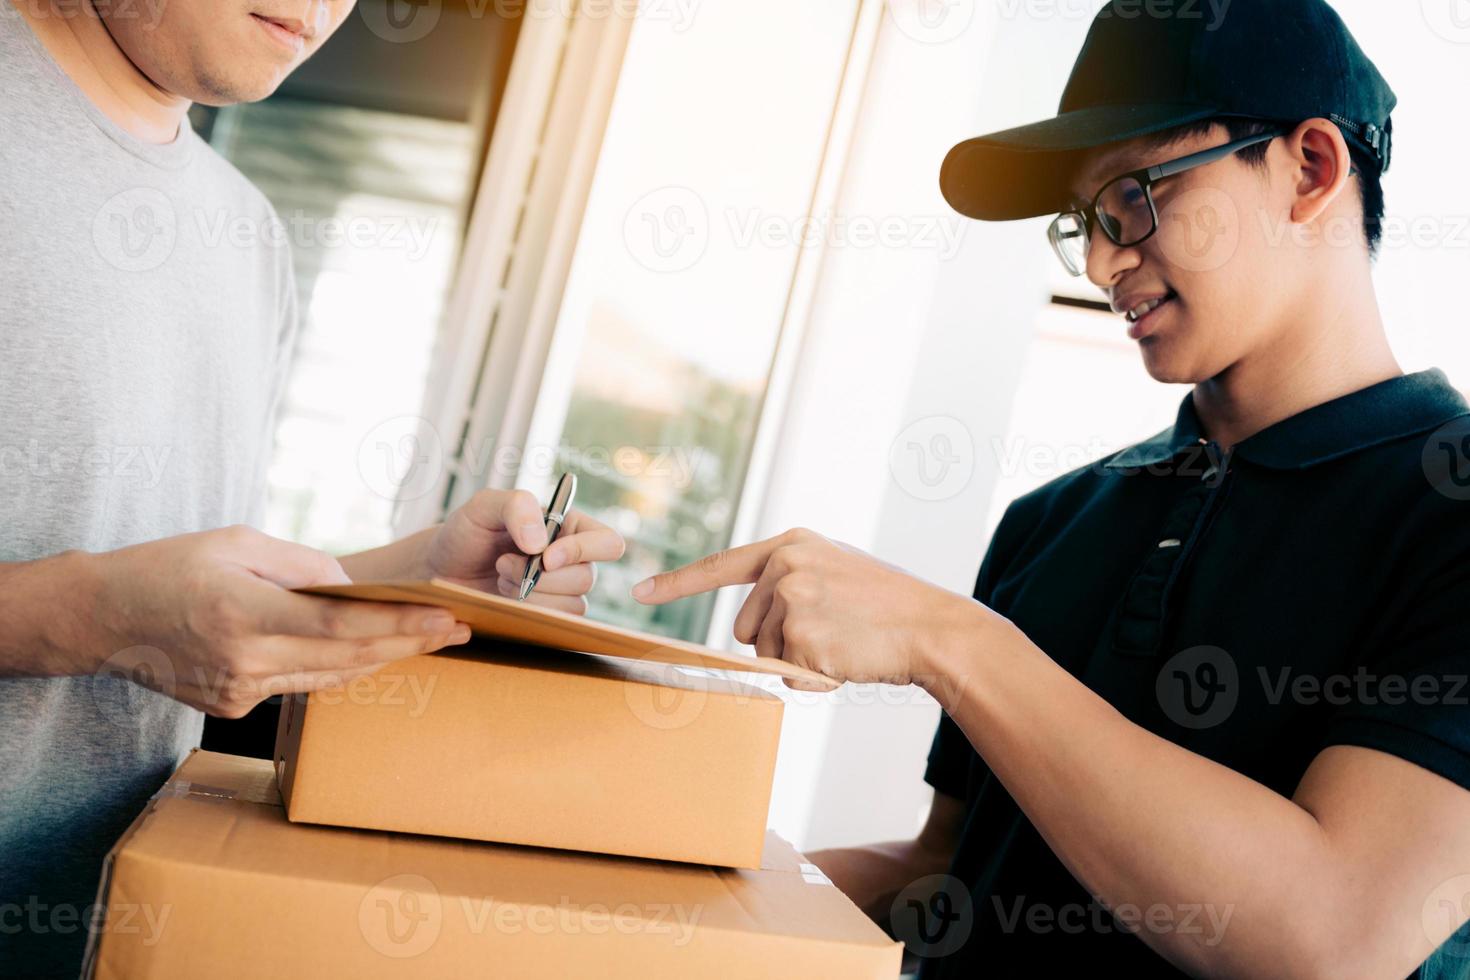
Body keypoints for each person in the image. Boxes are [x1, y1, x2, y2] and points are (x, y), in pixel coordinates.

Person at [634, 1, 1470, 975]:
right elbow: (952, 867)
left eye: (1132, 198)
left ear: (1311, 169)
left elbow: (1339, 931)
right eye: (1085, 223)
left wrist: (950, 639)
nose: (1105, 262)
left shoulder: (1443, 514)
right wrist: (658, 904)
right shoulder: (1056, 520)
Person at [0, 1, 623, 973]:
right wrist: (86, 615)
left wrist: (424, 574)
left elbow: (179, 583)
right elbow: (117, 598)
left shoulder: (247, 237)